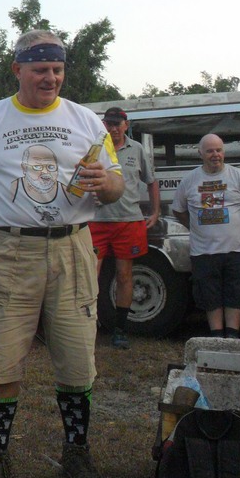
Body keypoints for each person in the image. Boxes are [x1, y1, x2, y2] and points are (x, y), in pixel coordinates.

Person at [0, 29, 125, 478]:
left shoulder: (85, 120)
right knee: (1, 363)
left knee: (77, 362)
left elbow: (116, 184)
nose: (50, 78)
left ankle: (76, 454)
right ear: (17, 70)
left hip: (73, 249)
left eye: (57, 70)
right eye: (40, 69)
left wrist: (106, 182)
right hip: (11, 251)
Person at [170, 133, 240, 338]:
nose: (215, 154)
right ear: (200, 154)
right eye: (210, 151)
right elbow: (178, 210)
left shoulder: (238, 176)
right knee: (210, 296)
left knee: (236, 295)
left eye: (219, 150)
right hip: (203, 252)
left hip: (237, 249)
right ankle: (216, 337)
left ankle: (232, 337)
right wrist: (194, 226)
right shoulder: (190, 180)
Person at [90, 106, 159, 348]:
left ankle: (120, 329)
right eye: (109, 124)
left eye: (117, 124)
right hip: (96, 221)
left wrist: (155, 211)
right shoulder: (95, 148)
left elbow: (151, 181)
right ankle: (88, 327)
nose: (113, 128)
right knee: (90, 276)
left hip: (128, 221)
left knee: (124, 275)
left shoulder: (137, 149)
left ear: (126, 125)